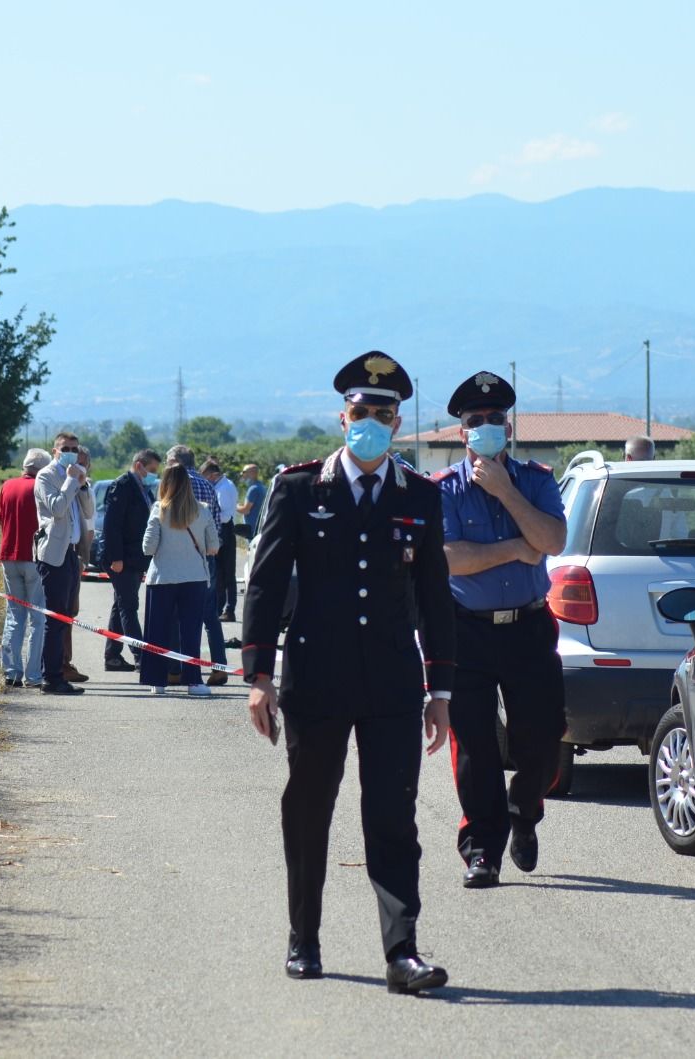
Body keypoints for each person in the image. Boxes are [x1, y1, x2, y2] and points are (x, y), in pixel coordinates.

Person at [243, 351, 456, 995]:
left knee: (393, 817)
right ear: (343, 418)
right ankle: (303, 938)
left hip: (393, 683)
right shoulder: (300, 489)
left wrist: (440, 689)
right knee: (309, 810)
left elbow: (435, 595)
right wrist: (259, 676)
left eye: (384, 414)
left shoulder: (419, 496)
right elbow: (266, 583)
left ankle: (402, 952)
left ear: (397, 424)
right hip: (317, 679)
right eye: (361, 411)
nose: (372, 422)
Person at [433, 370, 568, 889]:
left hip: (530, 626)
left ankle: (524, 814)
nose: (485, 426)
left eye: (494, 419)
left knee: (542, 737)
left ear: (507, 427)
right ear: (462, 432)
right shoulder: (443, 490)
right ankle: (482, 850)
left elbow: (552, 540)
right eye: (475, 421)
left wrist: (508, 493)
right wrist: (514, 548)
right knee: (475, 747)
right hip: (467, 631)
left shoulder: (535, 480)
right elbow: (448, 559)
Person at [140, 463, 220, 697]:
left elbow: (148, 547)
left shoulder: (158, 509)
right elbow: (214, 547)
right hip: (194, 578)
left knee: (158, 631)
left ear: (164, 484)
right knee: (191, 631)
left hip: (162, 578)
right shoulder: (203, 510)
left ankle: (158, 680)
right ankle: (194, 681)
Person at [33, 432, 95, 695]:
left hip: (71, 553)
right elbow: (57, 508)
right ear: (55, 450)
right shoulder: (46, 476)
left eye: (73, 448)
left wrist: (82, 485)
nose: (70, 452)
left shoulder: (76, 475)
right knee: (55, 618)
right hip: (54, 554)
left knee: (66, 616)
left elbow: (89, 511)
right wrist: (71, 480)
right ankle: (52, 676)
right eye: (65, 448)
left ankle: (59, 671)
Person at [166, 445, 229, 686]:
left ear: (175, 462)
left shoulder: (174, 484)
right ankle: (219, 667)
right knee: (209, 616)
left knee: (177, 615)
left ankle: (177, 669)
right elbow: (216, 525)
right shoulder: (208, 486)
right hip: (207, 555)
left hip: (180, 558)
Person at [101, 448, 160, 672]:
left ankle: (112, 656)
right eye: (152, 469)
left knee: (121, 605)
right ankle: (141, 656)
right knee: (129, 606)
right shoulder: (122, 486)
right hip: (122, 558)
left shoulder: (143, 488)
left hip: (135, 558)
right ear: (139, 465)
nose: (154, 474)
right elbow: (112, 525)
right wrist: (116, 557)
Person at [0, 449, 50, 687]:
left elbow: (0, 517)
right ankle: (34, 674)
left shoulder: (7, 486)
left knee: (14, 615)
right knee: (38, 618)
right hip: (34, 557)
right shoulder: (40, 487)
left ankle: (11, 670)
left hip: (9, 555)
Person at [59, 447, 94, 685]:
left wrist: (81, 485)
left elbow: (89, 512)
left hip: (77, 553)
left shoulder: (84, 487)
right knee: (61, 612)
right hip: (60, 554)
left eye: (83, 464)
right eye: (76, 464)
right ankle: (60, 664)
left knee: (71, 611)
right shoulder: (58, 481)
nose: (80, 468)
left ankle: (65, 662)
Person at [204, 458, 240, 621]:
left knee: (226, 572)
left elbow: (225, 515)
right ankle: (220, 607)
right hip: (222, 529)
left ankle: (228, 608)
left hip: (224, 529)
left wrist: (208, 515)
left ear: (214, 474)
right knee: (220, 572)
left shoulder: (224, 488)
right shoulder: (221, 485)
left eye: (206, 476)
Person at [235, 463, 266, 541]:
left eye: (244, 472)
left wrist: (234, 506)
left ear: (252, 473)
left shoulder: (253, 489)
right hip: (259, 526)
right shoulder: (261, 486)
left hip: (252, 528)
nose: (242, 474)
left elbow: (245, 510)